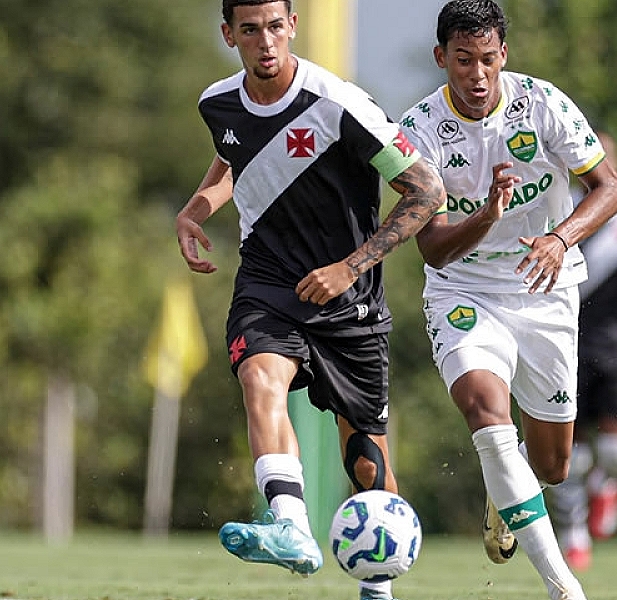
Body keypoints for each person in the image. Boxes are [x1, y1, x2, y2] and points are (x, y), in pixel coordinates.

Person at [175, 2, 446, 600]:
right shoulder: (216, 103)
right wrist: (198, 208)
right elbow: (234, 154)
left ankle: (378, 588)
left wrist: (348, 267)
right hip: (268, 282)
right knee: (259, 379)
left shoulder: (340, 104)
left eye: (275, 27)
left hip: (349, 298)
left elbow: (428, 190)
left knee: (367, 463)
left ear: (292, 25)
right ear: (229, 35)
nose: (265, 42)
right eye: (250, 30)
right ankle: (292, 529)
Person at [399, 2, 617, 598]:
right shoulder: (416, 129)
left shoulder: (543, 103)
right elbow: (434, 251)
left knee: (552, 467)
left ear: (505, 55)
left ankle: (508, 496)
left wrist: (559, 237)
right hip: (465, 289)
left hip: (545, 288)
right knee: (485, 411)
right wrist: (487, 215)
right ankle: (563, 586)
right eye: (463, 60)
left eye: (488, 59)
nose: (477, 75)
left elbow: (610, 190)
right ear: (441, 57)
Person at [545, 131, 617, 572]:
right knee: (567, 448)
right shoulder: (557, 205)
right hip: (563, 338)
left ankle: (606, 484)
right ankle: (573, 532)